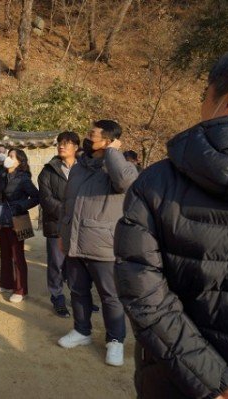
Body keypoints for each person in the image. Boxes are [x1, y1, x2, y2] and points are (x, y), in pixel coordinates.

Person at [114, 47, 228, 399]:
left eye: (206, 96)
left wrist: (213, 378)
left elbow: (144, 294)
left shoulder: (157, 182)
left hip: (176, 382)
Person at [57, 120, 138, 367]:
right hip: (75, 241)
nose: (88, 137)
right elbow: (67, 202)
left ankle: (115, 340)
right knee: (78, 291)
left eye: (93, 134)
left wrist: (113, 151)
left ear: (109, 140)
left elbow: (126, 184)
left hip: (103, 244)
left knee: (110, 296)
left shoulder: (119, 167)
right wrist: (63, 233)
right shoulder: (81, 167)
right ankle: (82, 331)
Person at [38, 131, 80, 318]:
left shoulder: (84, 169)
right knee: (56, 263)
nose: (62, 146)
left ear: (76, 147)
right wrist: (67, 212)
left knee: (76, 265)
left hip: (79, 226)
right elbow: (46, 199)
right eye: (60, 143)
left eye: (67, 143)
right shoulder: (49, 170)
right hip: (56, 225)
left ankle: (79, 297)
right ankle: (57, 296)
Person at [0, 149, 40, 303]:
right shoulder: (3, 176)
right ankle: (6, 283)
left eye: (12, 156)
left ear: (19, 161)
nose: (8, 158)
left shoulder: (24, 178)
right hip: (4, 217)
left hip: (19, 219)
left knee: (17, 255)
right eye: (8, 155)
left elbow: (36, 197)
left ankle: (20, 289)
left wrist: (20, 206)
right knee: (5, 253)